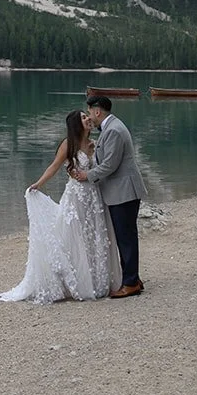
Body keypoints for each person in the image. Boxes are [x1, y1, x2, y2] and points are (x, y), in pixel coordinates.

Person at [0, 110, 121, 303]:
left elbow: (102, 169)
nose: (88, 119)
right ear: (76, 124)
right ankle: (73, 282)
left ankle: (95, 281)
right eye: (83, 117)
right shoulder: (68, 144)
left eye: (87, 116)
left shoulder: (94, 144)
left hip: (94, 197)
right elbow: (54, 166)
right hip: (76, 197)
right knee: (74, 236)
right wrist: (39, 184)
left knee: (92, 237)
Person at [69, 95, 147, 297]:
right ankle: (133, 277)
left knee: (126, 237)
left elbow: (110, 165)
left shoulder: (113, 130)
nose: (89, 118)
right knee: (125, 236)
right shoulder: (112, 127)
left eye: (89, 113)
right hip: (122, 190)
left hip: (124, 191)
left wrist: (87, 175)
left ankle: (131, 283)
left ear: (97, 111)